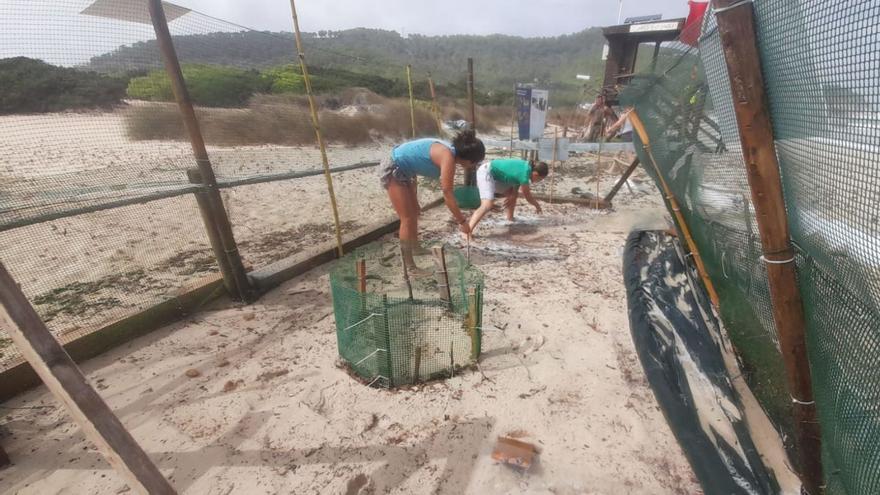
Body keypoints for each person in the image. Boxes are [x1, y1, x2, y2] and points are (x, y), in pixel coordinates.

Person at [379, 130, 485, 274]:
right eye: (476, 162)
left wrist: (413, 194)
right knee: (407, 218)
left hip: (405, 171)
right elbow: (447, 194)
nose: (475, 166)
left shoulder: (450, 153)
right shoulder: (448, 157)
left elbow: (414, 161)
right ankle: (410, 267)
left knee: (414, 212)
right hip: (393, 168)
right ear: (469, 159)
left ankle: (415, 248)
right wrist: (462, 221)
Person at [468, 158, 549, 237]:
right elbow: (528, 196)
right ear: (536, 174)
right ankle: (467, 231)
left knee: (512, 194)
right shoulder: (524, 175)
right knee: (487, 204)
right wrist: (537, 206)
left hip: (495, 176)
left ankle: (510, 219)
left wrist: (513, 195)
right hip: (486, 172)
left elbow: (516, 182)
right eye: (539, 179)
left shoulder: (526, 167)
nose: (538, 181)